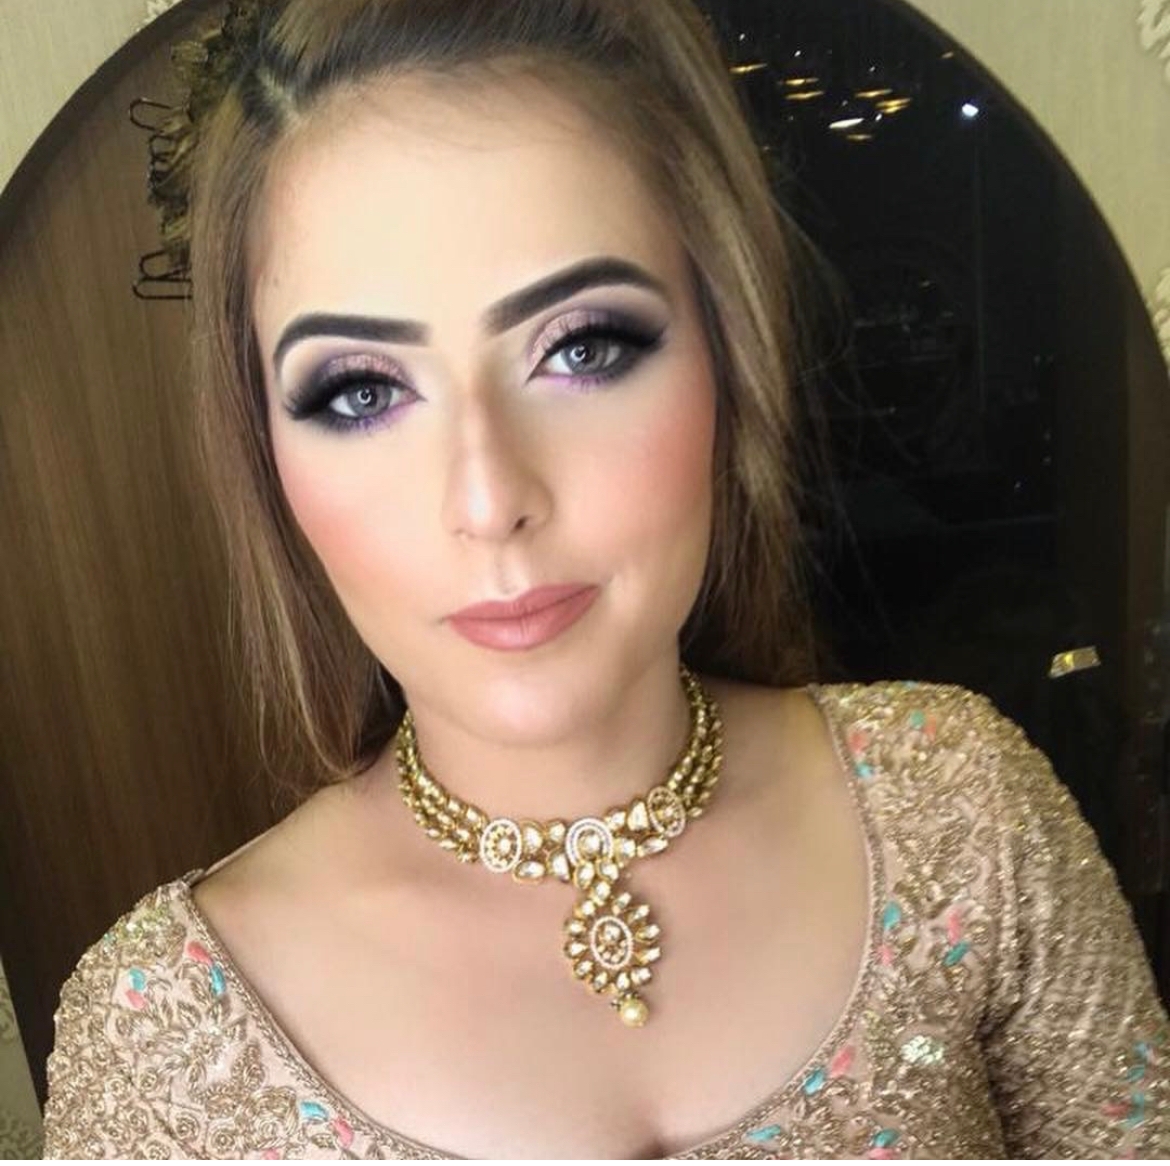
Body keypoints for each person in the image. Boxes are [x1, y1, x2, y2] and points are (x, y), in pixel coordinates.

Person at [41, 0, 1169, 1158]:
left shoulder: (963, 812)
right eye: (362, 391)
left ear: (727, 349)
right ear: (265, 451)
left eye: (582, 347)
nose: (490, 498)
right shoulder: (160, 1041)